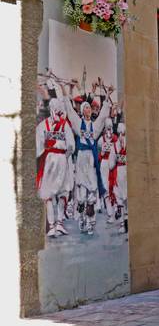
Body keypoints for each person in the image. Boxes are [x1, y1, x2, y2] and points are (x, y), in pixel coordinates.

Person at [63, 83, 112, 235]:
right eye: (86, 108)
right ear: (82, 111)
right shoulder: (79, 124)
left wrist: (108, 94)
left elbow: (104, 114)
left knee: (92, 195)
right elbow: (70, 111)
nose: (88, 110)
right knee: (82, 196)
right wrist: (65, 91)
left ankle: (91, 222)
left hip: (92, 161)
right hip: (81, 159)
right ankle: (82, 218)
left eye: (90, 108)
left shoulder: (96, 126)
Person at [36, 98, 75, 237]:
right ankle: (59, 224)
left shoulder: (42, 125)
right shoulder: (65, 125)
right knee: (63, 191)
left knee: (48, 192)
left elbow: (38, 148)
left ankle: (52, 225)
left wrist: (45, 154)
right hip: (61, 159)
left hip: (48, 159)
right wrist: (65, 156)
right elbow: (71, 145)